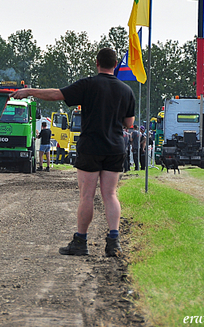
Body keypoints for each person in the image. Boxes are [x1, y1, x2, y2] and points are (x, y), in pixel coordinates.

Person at [10, 48, 135, 257]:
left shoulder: (87, 85)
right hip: (115, 147)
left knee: (87, 195)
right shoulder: (126, 91)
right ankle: (114, 242)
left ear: (97, 63)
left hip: (90, 146)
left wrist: (30, 91)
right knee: (110, 194)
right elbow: (129, 123)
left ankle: (81, 242)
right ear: (116, 65)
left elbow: (56, 94)